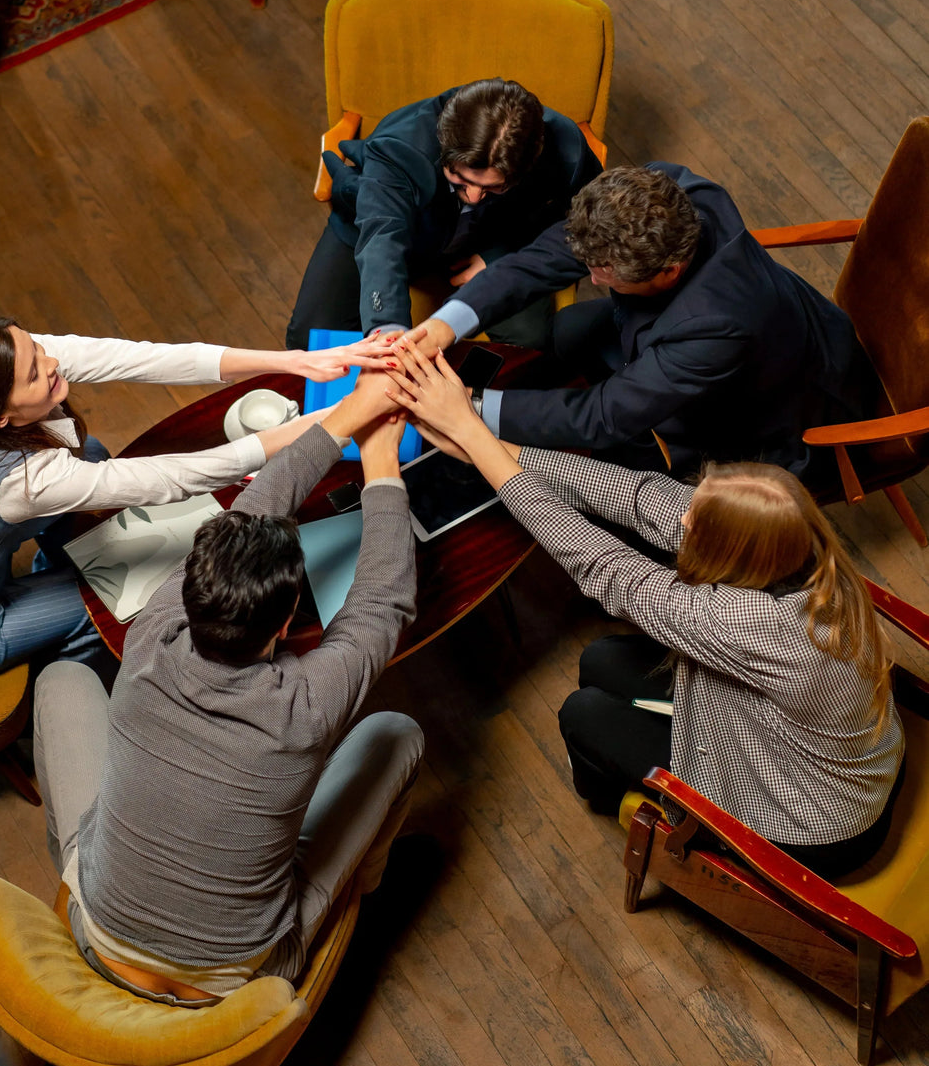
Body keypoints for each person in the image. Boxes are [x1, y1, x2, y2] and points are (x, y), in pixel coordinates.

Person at [385, 343, 904, 880]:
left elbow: (606, 567)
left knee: (583, 714)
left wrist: (475, 439)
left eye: (694, 525)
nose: (681, 520)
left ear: (732, 555)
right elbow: (642, 497)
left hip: (816, 821)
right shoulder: (797, 547)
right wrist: (489, 446)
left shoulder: (755, 623)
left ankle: (614, 793)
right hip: (834, 750)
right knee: (604, 660)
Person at [32, 372, 423, 1001]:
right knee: (397, 733)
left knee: (63, 677)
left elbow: (251, 510)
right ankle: (363, 886)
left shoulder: (150, 636)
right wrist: (381, 463)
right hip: (236, 980)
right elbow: (381, 604)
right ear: (289, 619)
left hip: (96, 932)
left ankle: (84, 866)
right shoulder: (308, 706)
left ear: (190, 590)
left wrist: (345, 418)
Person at [0, 318, 397, 683]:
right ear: (1, 416)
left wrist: (293, 361)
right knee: (109, 608)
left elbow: (145, 359)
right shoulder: (26, 479)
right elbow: (178, 476)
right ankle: (78, 680)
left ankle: (57, 562)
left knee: (90, 453)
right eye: (35, 372)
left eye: (36, 347)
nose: (50, 361)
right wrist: (338, 419)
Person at [404, 163, 882, 477]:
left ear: (668, 270)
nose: (589, 276)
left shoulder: (716, 324)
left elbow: (604, 416)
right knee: (570, 330)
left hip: (762, 412)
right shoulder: (663, 189)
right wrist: (446, 324)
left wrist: (468, 406)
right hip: (722, 339)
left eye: (604, 274)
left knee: (617, 463)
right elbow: (547, 257)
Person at [286, 77, 601, 349]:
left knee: (531, 339)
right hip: (384, 227)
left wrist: (503, 256)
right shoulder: (400, 149)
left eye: (494, 187)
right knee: (309, 339)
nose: (475, 197)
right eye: (461, 180)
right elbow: (383, 241)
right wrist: (389, 332)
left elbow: (589, 224)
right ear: (443, 147)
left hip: (490, 239)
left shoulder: (566, 150)